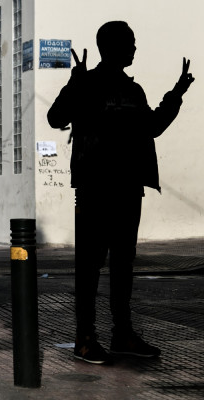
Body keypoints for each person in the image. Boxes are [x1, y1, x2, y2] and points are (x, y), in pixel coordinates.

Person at [47, 21, 194, 365]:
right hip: (94, 189)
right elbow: (56, 117)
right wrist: (74, 83)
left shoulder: (134, 91)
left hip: (129, 189)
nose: (135, 49)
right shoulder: (87, 84)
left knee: (123, 265)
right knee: (89, 267)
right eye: (130, 43)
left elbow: (153, 126)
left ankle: (122, 334)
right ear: (111, 47)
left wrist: (177, 93)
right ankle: (85, 338)